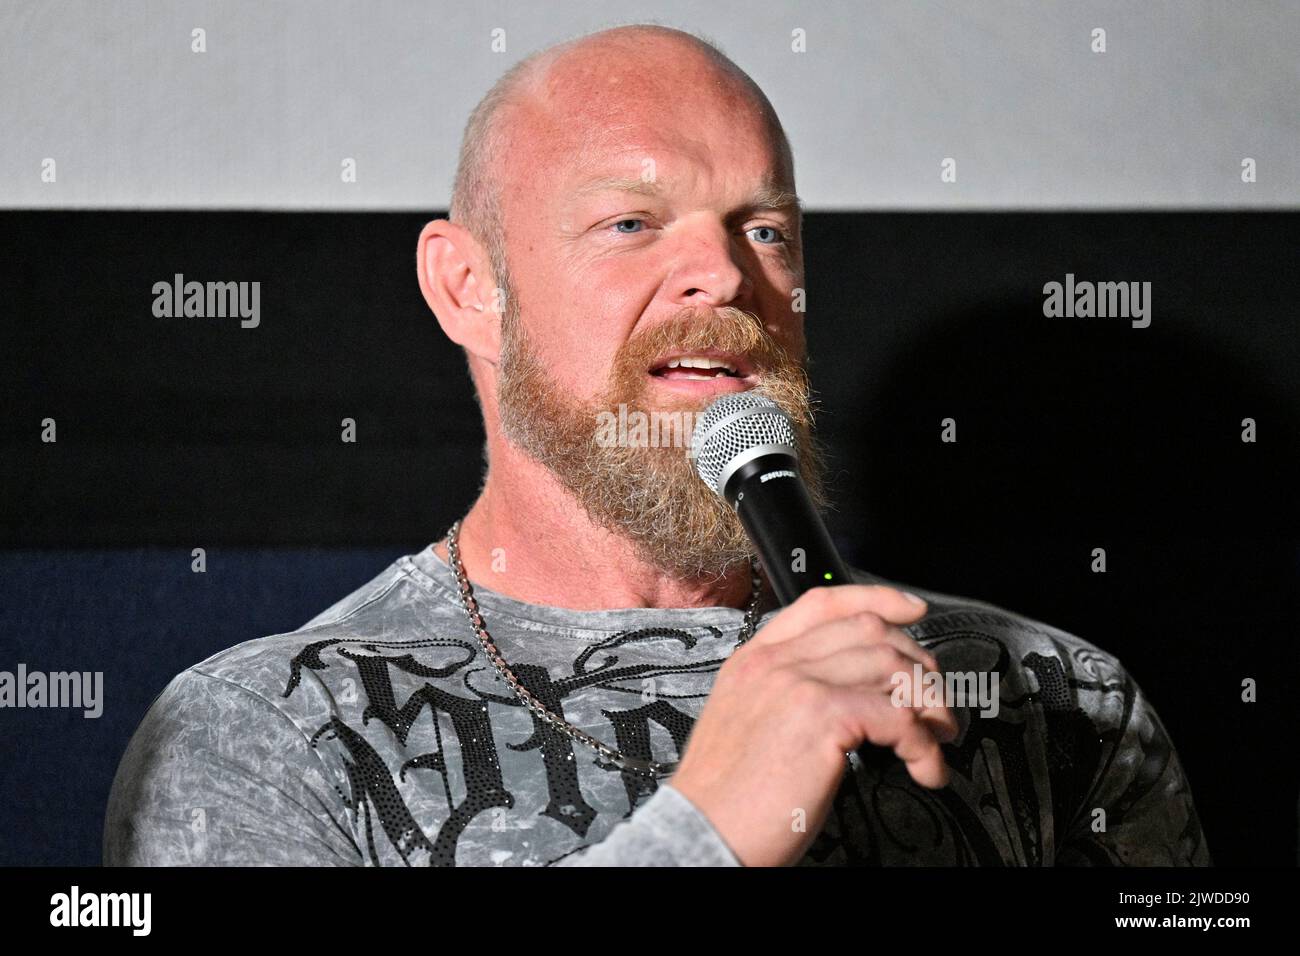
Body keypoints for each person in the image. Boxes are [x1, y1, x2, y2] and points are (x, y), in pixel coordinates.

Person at [103, 23, 1210, 867]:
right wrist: (706, 829)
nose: (726, 277)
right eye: (630, 224)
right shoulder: (269, 731)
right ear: (468, 287)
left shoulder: (1058, 700)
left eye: (763, 230)